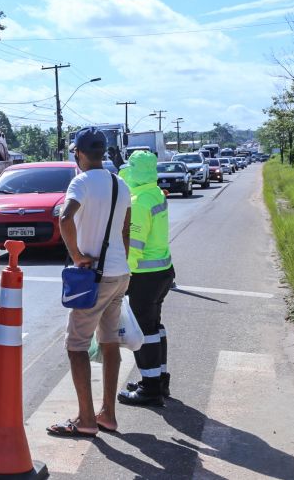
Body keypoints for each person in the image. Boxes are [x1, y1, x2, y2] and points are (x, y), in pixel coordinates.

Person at [47, 127, 131, 437]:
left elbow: (65, 217)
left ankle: (85, 419)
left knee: (76, 346)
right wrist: (122, 264)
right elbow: (125, 231)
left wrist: (78, 255)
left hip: (94, 277)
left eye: (74, 153)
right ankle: (107, 414)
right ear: (103, 153)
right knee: (110, 343)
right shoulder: (119, 183)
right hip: (120, 274)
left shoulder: (80, 182)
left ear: (80, 153)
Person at [117, 151, 176, 406]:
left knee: (145, 331)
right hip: (163, 271)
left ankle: (150, 388)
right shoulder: (156, 193)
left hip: (144, 275)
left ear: (136, 170)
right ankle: (159, 380)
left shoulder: (140, 201)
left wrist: (123, 276)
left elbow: (135, 246)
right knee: (155, 326)